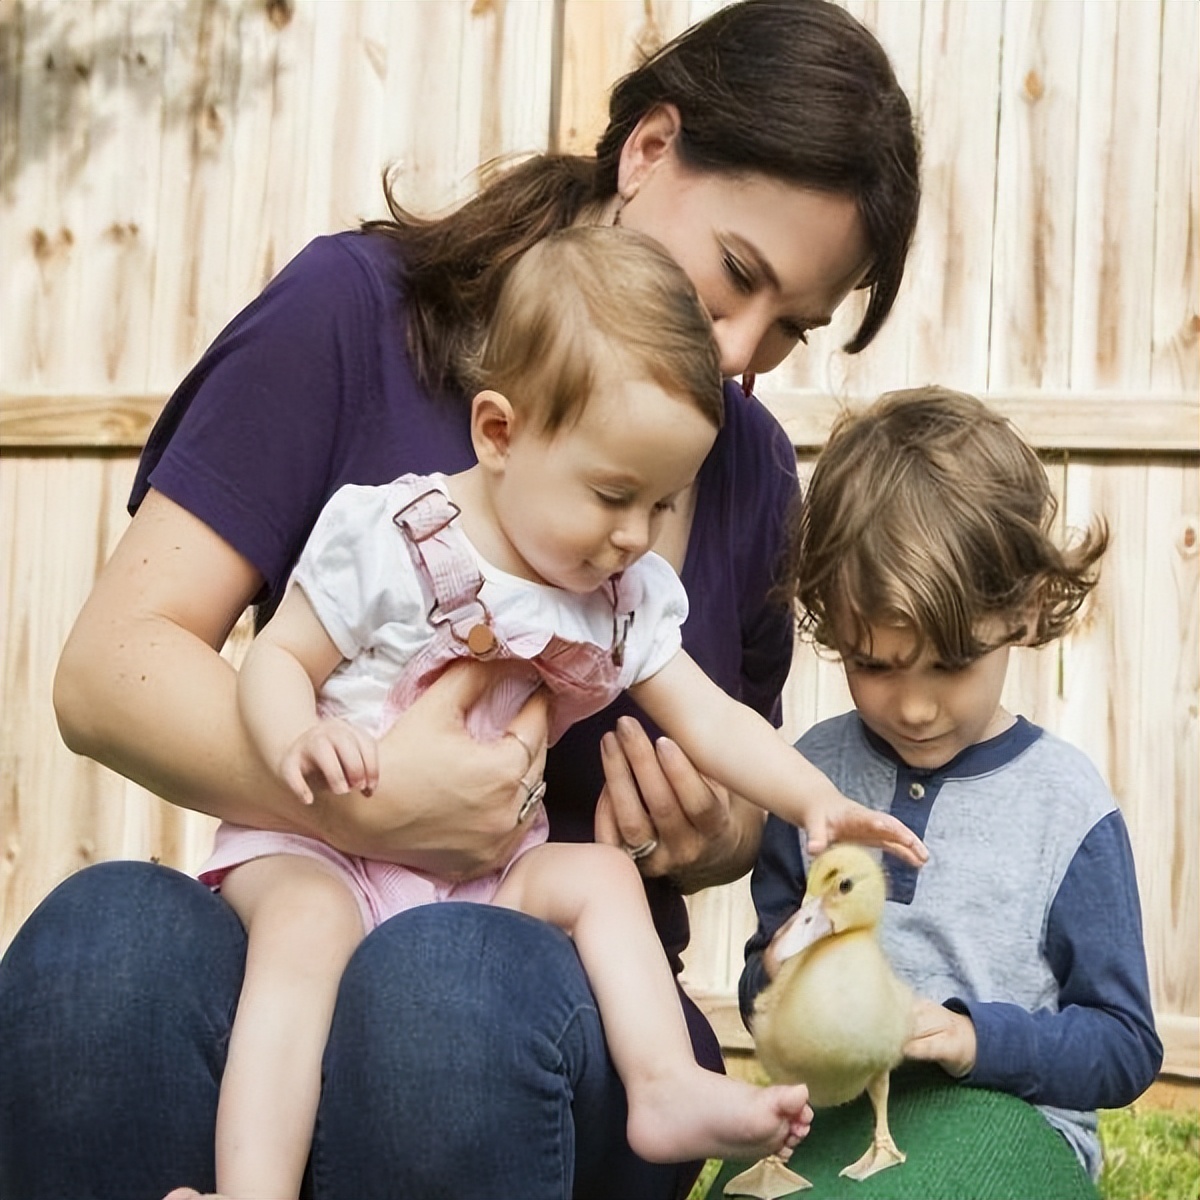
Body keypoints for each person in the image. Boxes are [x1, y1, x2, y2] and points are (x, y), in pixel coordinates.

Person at [0, 2, 922, 1197]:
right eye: (738, 275)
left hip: (537, 994)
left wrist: (713, 834)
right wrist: (373, 813)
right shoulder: (355, 317)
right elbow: (110, 669)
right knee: (100, 950)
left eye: (790, 328)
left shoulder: (738, 461)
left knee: (446, 991)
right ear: (648, 151)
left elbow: (726, 758)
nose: (744, 352)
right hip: (318, 894)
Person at [204, 226, 930, 1198]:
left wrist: (814, 804)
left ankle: (662, 1084)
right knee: (306, 929)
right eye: (613, 494)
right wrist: (301, 738)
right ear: (499, 434)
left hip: (472, 882)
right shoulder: (396, 537)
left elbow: (713, 722)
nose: (634, 535)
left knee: (596, 879)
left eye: (664, 505)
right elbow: (276, 658)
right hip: (323, 851)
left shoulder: (615, 597)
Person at [738, 387, 1164, 1193]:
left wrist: (973, 1039)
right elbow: (762, 971)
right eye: (875, 664)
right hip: (833, 1115)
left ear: (1028, 612)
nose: (917, 705)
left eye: (952, 663)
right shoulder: (811, 779)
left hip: (1012, 1117)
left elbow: (1125, 1045)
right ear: (829, 620)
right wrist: (786, 975)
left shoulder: (1065, 804)